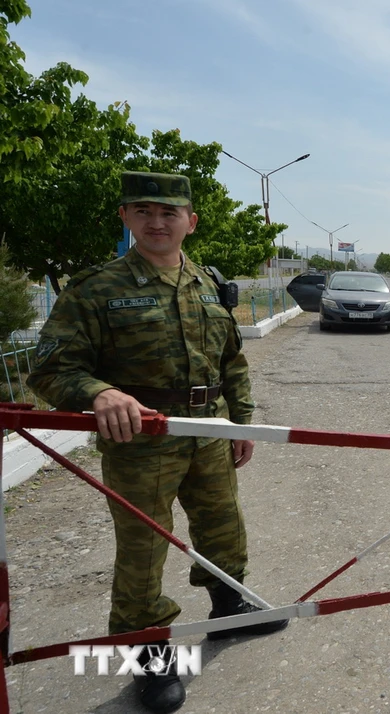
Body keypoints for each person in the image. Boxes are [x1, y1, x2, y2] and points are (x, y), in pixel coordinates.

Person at [27, 172, 287, 714]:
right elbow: (50, 368)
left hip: (210, 430)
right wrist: (98, 393)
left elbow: (231, 361)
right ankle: (145, 651)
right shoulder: (96, 287)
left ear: (190, 222)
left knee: (222, 523)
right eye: (143, 211)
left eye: (169, 212)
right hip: (142, 439)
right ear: (125, 219)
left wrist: (243, 421)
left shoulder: (208, 282)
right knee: (144, 548)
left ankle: (227, 606)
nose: (156, 221)